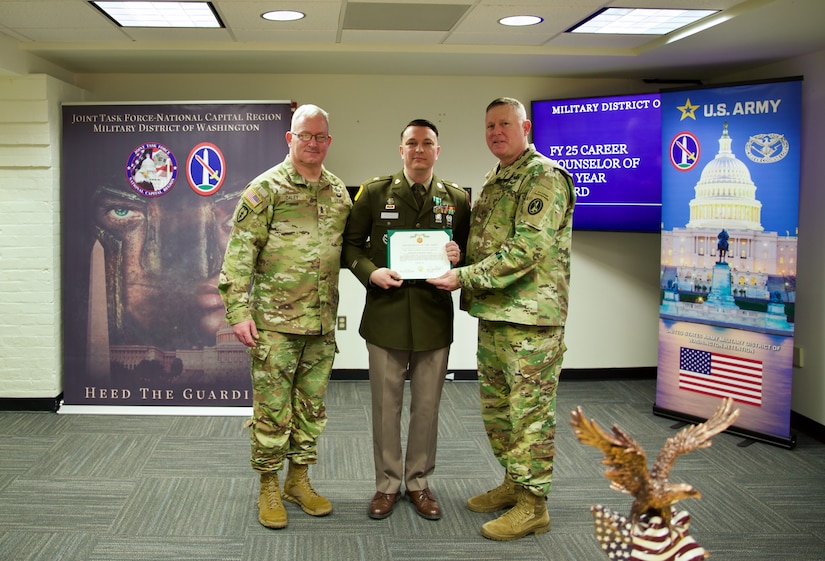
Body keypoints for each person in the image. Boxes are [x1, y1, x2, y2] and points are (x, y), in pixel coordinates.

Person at [428, 97, 575, 541]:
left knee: (530, 413)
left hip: (531, 320)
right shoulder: (496, 178)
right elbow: (490, 242)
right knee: (498, 411)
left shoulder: (544, 177)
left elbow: (527, 249)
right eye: (489, 125)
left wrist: (464, 275)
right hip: (496, 313)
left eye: (504, 124)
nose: (495, 132)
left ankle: (534, 505)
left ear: (525, 126)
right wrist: (458, 254)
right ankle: (515, 483)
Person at [218, 104, 352, 529]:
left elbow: (351, 249)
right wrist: (238, 312)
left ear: (328, 141)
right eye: (304, 135)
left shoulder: (338, 193)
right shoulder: (266, 189)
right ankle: (268, 485)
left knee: (311, 409)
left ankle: (299, 479)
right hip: (274, 325)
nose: (312, 143)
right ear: (289, 138)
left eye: (320, 136)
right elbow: (239, 255)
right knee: (273, 410)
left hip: (320, 324)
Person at [342, 119, 470, 521]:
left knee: (427, 408)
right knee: (385, 406)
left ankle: (418, 482)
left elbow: (465, 250)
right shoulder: (375, 192)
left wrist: (457, 257)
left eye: (427, 143)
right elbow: (350, 247)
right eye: (411, 143)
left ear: (437, 150)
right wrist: (369, 273)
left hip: (433, 316)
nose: (419, 150)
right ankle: (386, 485)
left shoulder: (457, 199)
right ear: (401, 150)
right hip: (386, 315)